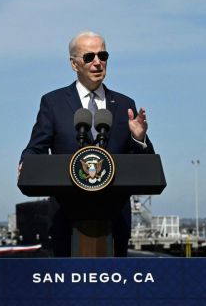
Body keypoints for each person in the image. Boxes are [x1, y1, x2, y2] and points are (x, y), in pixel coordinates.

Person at [20, 31, 153, 256]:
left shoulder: (124, 104)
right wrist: (27, 163)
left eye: (103, 55)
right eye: (89, 57)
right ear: (74, 64)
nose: (98, 62)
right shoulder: (53, 103)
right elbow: (36, 147)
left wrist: (139, 138)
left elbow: (145, 167)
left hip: (114, 220)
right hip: (66, 218)